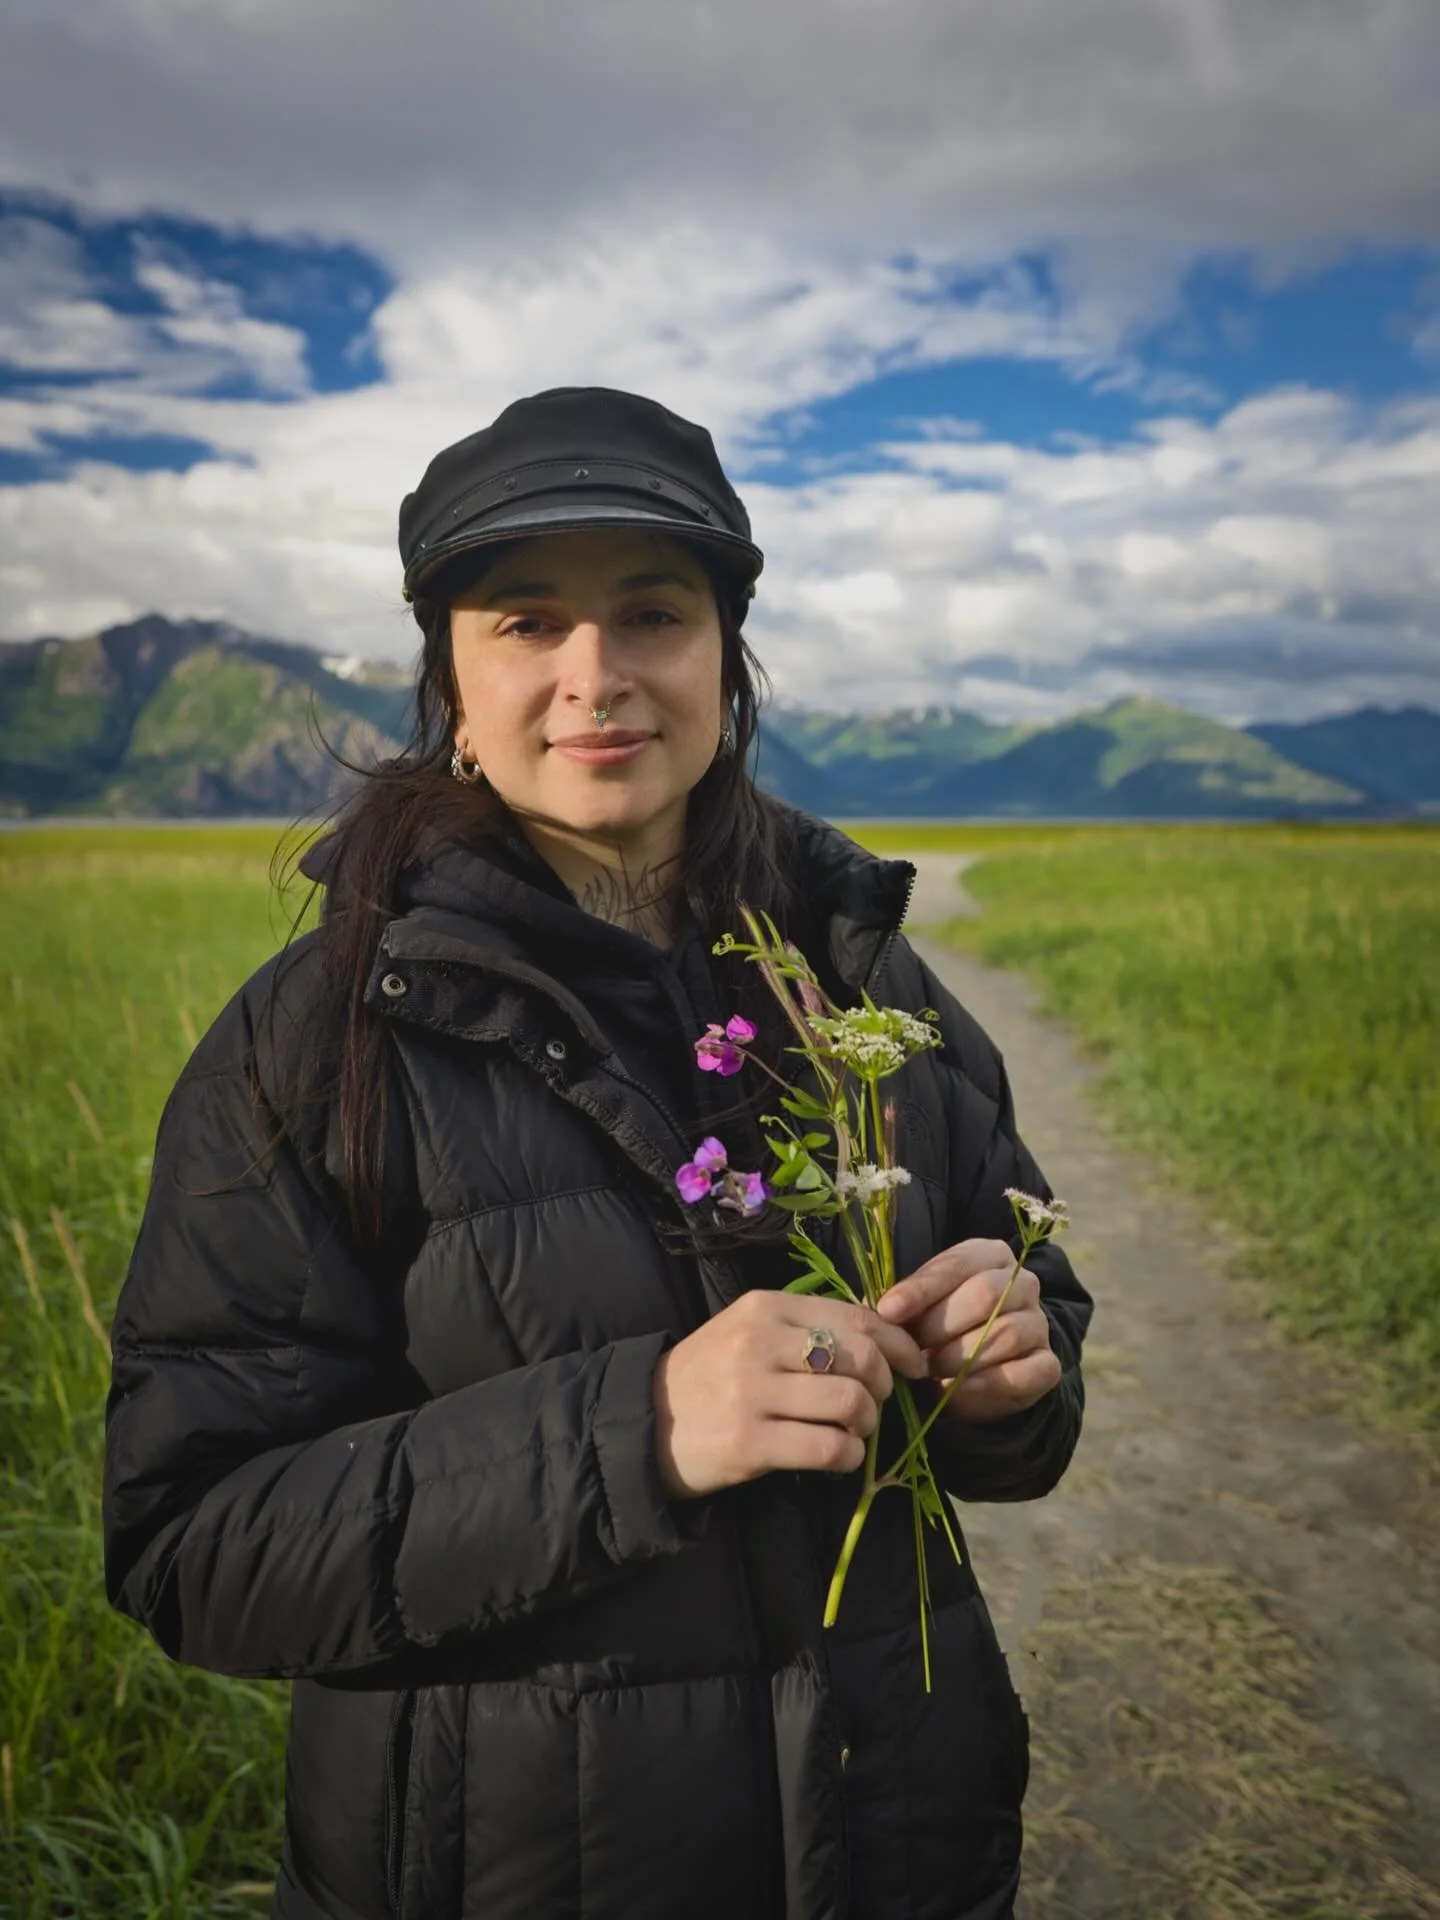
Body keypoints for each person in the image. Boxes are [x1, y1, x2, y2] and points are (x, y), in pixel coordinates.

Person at [103, 386, 1092, 1920]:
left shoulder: (860, 984)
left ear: (724, 658)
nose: (597, 675)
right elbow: (192, 1546)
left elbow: (1028, 1350)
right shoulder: (312, 1044)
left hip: (902, 1842)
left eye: (652, 613)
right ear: (450, 676)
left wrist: (1007, 1380)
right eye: (525, 621)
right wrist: (642, 1428)